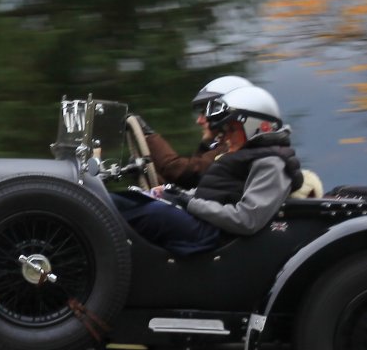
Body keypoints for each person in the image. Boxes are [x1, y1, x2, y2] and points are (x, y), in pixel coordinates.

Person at [116, 83, 303, 256]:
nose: (225, 137)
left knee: (153, 214)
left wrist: (188, 202)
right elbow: (212, 194)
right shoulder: (244, 155)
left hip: (217, 236)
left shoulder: (272, 163)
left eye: (231, 130)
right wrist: (172, 194)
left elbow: (247, 220)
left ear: (258, 127)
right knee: (125, 201)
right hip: (205, 224)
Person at [138, 75, 250, 186]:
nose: (199, 121)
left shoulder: (231, 151)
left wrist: (149, 136)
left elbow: (180, 172)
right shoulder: (218, 149)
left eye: (205, 112)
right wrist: (145, 172)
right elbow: (184, 188)